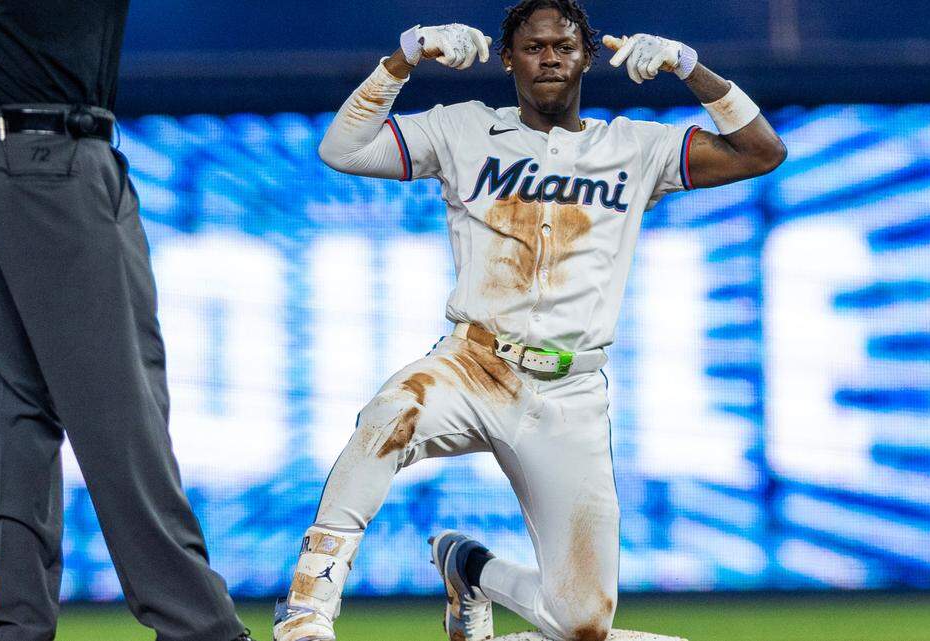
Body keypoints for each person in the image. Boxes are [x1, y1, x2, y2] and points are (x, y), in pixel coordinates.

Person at [273, 1, 786, 640]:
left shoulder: (634, 147)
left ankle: (472, 569)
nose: (549, 57)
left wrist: (692, 69)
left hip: (571, 392)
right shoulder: (461, 129)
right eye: (534, 46)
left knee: (581, 627)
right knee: (389, 414)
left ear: (587, 58)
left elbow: (763, 152)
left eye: (564, 47)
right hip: (474, 363)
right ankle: (308, 604)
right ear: (508, 57)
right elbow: (341, 149)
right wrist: (404, 58)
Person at [0, 2, 252, 640]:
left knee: (18, 410)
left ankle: (19, 626)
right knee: (116, 410)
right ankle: (200, 629)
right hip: (48, 163)